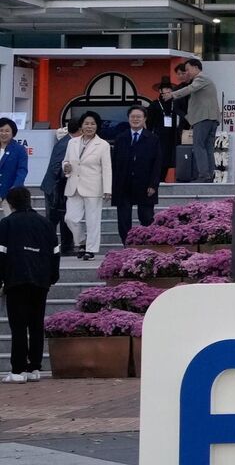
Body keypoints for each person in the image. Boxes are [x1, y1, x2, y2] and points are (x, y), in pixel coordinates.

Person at [0, 187, 59, 383]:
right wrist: (51, 277)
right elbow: (55, 252)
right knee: (36, 324)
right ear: (30, 201)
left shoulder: (7, 224)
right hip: (41, 281)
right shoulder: (46, 224)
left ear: (11, 203)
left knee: (18, 326)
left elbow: (1, 254)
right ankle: (34, 367)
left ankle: (18, 370)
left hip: (16, 280)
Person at [61, 111, 112, 261]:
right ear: (81, 125)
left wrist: (107, 189)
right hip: (73, 185)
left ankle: (91, 249)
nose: (89, 126)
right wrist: (66, 168)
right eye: (86, 123)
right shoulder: (72, 142)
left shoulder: (103, 145)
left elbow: (107, 168)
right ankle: (81, 241)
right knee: (70, 218)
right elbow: (65, 161)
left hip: (93, 187)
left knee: (93, 220)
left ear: (97, 126)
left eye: (92, 124)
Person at [111, 107, 164, 243]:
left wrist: (153, 184)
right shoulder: (121, 138)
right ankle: (127, 244)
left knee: (146, 217)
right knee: (123, 218)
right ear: (128, 118)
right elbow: (114, 163)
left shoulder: (153, 138)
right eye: (132, 117)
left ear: (144, 119)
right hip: (123, 184)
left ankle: (146, 244)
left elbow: (157, 164)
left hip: (145, 184)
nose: (135, 119)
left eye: (138, 117)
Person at [164, 58, 221, 183]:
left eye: (188, 69)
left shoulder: (201, 79)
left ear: (196, 67)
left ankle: (203, 175)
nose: (186, 72)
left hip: (203, 118)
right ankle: (209, 175)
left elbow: (189, 89)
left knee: (199, 146)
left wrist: (172, 94)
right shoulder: (205, 80)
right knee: (208, 147)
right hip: (210, 119)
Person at [38, 121, 77, 255]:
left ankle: (65, 247)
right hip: (55, 187)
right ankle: (53, 247)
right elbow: (56, 167)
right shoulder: (65, 143)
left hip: (60, 186)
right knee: (55, 219)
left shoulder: (69, 141)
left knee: (63, 218)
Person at [0, 118, 27, 195]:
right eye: (1, 130)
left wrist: (16, 187)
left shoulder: (19, 149)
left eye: (7, 131)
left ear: (13, 133)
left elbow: (22, 170)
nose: (3, 133)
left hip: (10, 194)